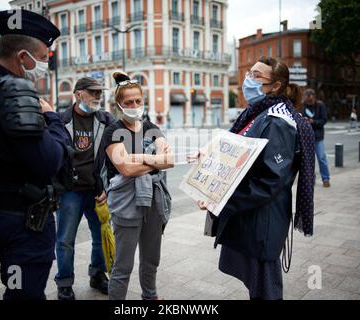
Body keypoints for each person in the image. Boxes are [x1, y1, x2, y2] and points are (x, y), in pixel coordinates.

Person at [0, 9, 69, 299]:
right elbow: (49, 161)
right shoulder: (16, 91)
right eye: (44, 57)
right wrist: (54, 120)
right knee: (25, 294)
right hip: (24, 221)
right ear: (23, 57)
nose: (47, 63)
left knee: (15, 284)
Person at [194, 57, 315, 300]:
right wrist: (210, 157)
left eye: (257, 75)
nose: (249, 79)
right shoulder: (257, 112)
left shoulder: (277, 121)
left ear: (276, 85)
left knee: (265, 289)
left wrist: (222, 199)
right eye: (250, 72)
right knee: (258, 286)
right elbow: (237, 152)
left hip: (262, 220)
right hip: (252, 216)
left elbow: (269, 179)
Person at [101, 72, 174, 300]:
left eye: (138, 101)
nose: (135, 106)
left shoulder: (150, 127)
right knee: (123, 266)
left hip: (154, 200)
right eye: (129, 102)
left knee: (151, 258)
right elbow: (126, 170)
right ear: (119, 105)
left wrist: (139, 158)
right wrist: (154, 161)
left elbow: (169, 160)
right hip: (126, 204)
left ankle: (150, 297)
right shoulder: (112, 132)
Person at [54, 77, 115, 300]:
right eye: (93, 92)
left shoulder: (106, 120)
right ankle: (64, 283)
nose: (98, 97)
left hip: (96, 190)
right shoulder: (60, 120)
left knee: (100, 235)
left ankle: (97, 275)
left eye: (100, 93)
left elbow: (114, 157)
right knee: (65, 239)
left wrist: (107, 187)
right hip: (69, 190)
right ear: (78, 94)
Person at [303, 88, 331, 187]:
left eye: (311, 100)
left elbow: (324, 120)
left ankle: (326, 178)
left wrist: (313, 122)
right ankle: (311, 179)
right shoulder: (303, 106)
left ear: (314, 97)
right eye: (307, 100)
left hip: (318, 136)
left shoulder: (320, 105)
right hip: (306, 137)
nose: (309, 101)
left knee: (321, 158)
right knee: (309, 161)